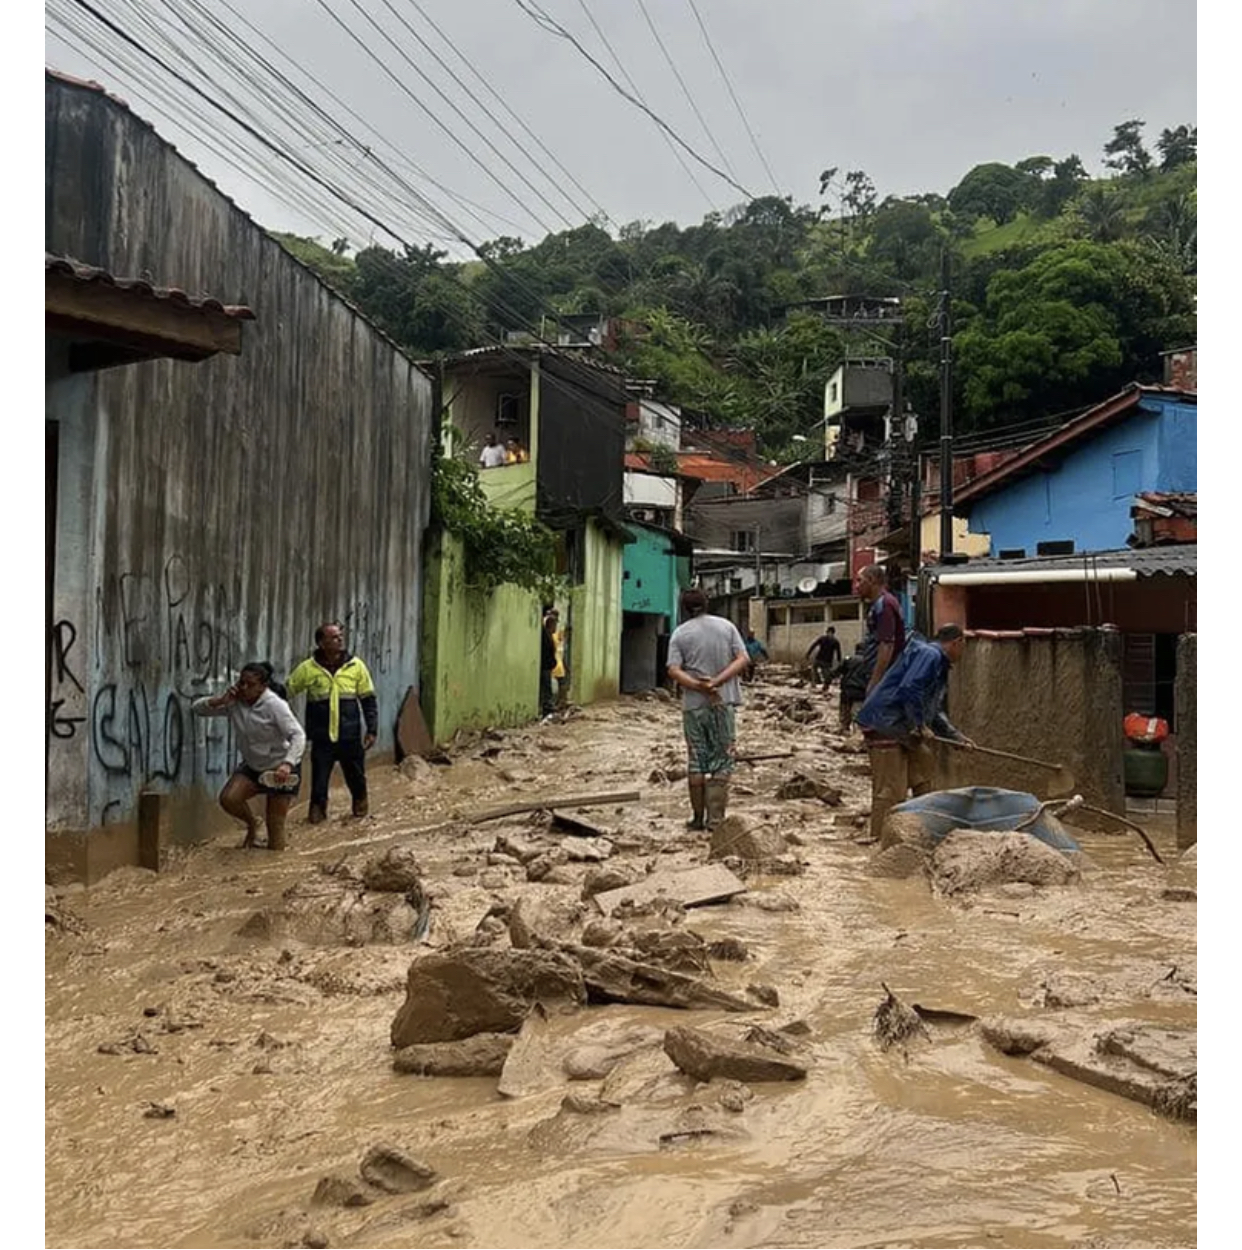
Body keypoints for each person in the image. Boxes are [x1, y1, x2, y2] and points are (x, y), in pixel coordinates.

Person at [856, 623, 974, 842]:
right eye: (964, 645)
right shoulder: (930, 655)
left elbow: (934, 710)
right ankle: (881, 840)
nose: (963, 651)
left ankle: (926, 828)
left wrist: (954, 736)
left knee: (924, 770)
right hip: (885, 723)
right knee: (891, 789)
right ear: (957, 642)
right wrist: (919, 725)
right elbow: (910, 688)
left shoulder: (937, 662)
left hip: (902, 727)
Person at [191, 661, 306, 850]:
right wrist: (220, 700)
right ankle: (252, 825)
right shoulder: (234, 703)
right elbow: (197, 709)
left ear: (263, 686)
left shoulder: (275, 705)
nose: (244, 688)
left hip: (280, 769)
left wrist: (287, 763)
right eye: (241, 683)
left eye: (250, 684)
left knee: (276, 841)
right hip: (253, 766)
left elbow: (298, 735)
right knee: (229, 799)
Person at [667, 589, 751, 830]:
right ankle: (715, 821)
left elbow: (673, 670)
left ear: (684, 608)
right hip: (722, 703)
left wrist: (698, 686)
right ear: (707, 604)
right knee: (722, 760)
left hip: (693, 706)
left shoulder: (680, 633)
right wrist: (717, 682)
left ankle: (696, 819)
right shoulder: (726, 627)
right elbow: (743, 659)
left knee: (696, 760)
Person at [286, 622, 378, 823]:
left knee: (357, 779)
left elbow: (368, 700)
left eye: (340, 636)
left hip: (350, 736)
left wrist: (372, 730)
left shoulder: (356, 666)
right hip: (322, 738)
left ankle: (360, 813)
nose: (340, 640)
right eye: (334, 637)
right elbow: (287, 692)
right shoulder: (308, 669)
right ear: (321, 643)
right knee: (319, 784)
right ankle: (316, 819)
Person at [856, 563, 907, 697]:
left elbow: (886, 645)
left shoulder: (884, 605)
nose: (856, 586)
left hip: (886, 676)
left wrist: (875, 682)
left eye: (859, 580)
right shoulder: (882, 603)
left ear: (871, 580)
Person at [540, 607, 559, 717]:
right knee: (547, 688)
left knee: (548, 687)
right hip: (545, 667)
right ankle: (547, 708)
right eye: (555, 625)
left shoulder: (549, 636)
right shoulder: (546, 636)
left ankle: (549, 707)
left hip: (549, 667)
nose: (556, 627)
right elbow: (547, 652)